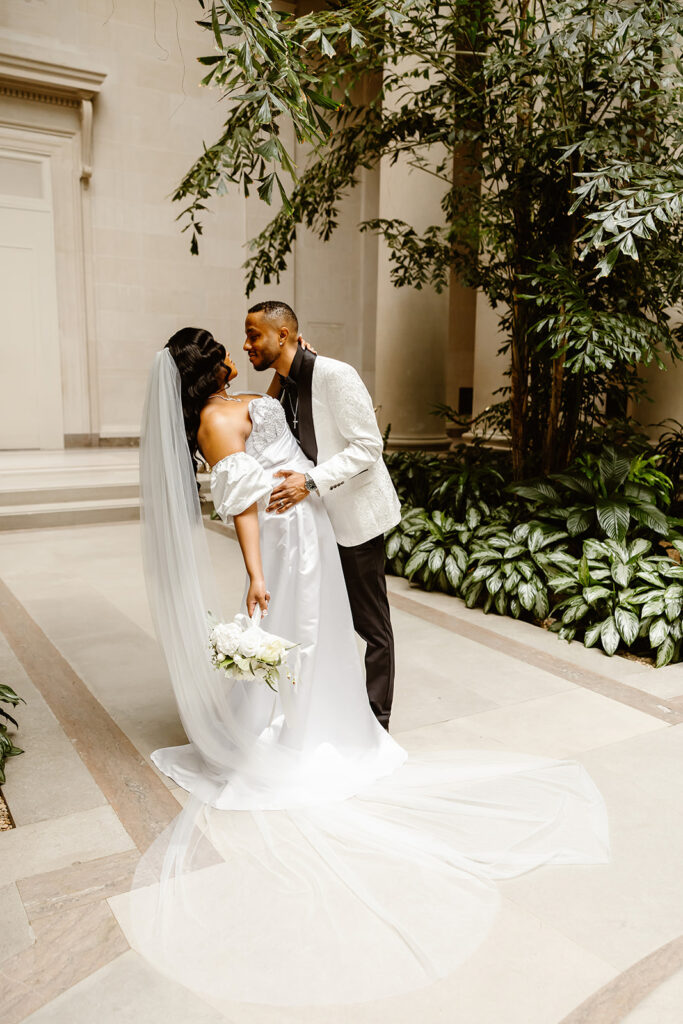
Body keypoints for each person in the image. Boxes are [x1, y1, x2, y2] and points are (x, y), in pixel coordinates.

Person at [125, 327, 610, 1007]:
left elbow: (279, 432)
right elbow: (240, 506)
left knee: (320, 639)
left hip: (313, 530)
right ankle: (288, 729)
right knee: (294, 634)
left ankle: (324, 720)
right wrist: (255, 575)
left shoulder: (246, 400)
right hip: (283, 539)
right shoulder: (210, 419)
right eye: (228, 345)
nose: (239, 348)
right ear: (212, 366)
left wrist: (294, 362)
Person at [244, 299, 401, 731]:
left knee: (371, 626)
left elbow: (368, 448)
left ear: (283, 335)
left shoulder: (336, 374)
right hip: (315, 525)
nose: (246, 344)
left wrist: (308, 482)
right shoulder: (288, 382)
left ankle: (376, 723)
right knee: (325, 622)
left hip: (354, 519)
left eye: (254, 334)